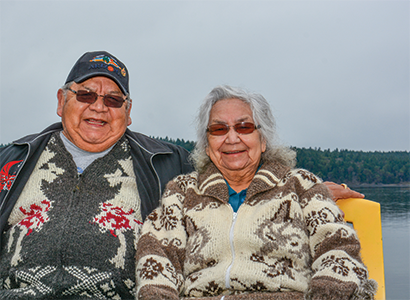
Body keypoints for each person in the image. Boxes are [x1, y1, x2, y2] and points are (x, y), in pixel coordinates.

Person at [135, 85, 377, 300]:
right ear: (207, 146)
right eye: (218, 129)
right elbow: (157, 255)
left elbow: (338, 249)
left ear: (263, 140)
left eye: (244, 127)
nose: (231, 138)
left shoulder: (301, 186)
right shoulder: (182, 192)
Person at [0, 51, 193, 299]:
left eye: (113, 100)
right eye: (85, 95)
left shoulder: (170, 164)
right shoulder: (12, 160)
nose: (99, 107)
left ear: (128, 110)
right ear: (61, 101)